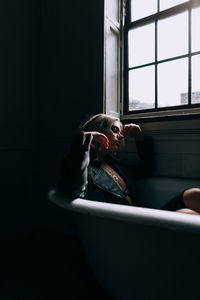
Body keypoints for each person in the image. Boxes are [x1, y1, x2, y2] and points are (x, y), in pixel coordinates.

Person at [58, 113, 200, 215]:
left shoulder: (116, 165)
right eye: (115, 130)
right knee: (185, 213)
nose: (120, 136)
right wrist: (84, 143)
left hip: (140, 220)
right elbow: (74, 191)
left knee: (193, 194)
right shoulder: (84, 169)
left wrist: (139, 139)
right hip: (125, 231)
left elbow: (147, 169)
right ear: (98, 131)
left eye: (121, 132)